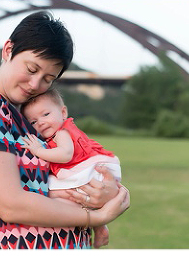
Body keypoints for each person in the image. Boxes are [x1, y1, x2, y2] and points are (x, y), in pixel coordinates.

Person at [0, 11, 129, 249]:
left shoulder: (30, 117)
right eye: (31, 69)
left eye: (48, 78)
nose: (36, 85)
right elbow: (10, 204)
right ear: (8, 50)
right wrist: (97, 218)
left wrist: (109, 191)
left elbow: (70, 172)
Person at [20, 89, 122, 248]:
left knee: (54, 195)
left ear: (63, 112)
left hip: (87, 170)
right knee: (71, 197)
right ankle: (99, 226)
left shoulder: (61, 133)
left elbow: (65, 155)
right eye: (33, 122)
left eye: (46, 114)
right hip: (89, 170)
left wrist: (38, 151)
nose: (40, 122)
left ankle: (95, 222)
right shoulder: (59, 132)